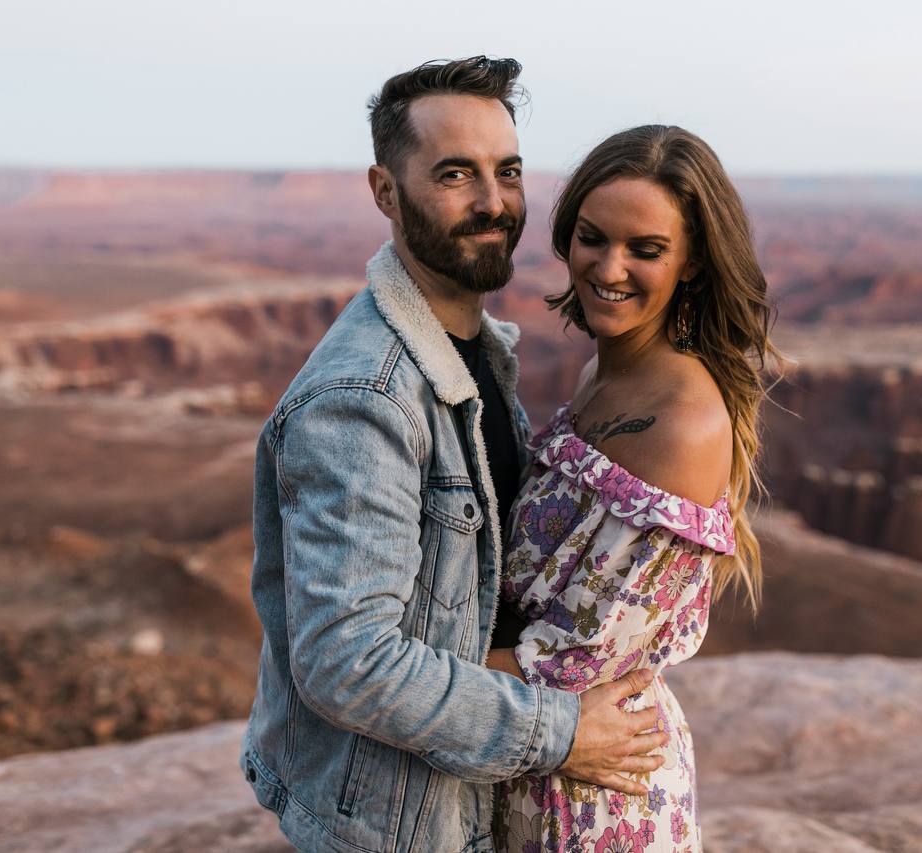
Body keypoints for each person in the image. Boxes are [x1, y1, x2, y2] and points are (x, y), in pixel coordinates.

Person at [240, 57, 668, 853]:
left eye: (507, 171)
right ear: (385, 191)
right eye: (454, 174)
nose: (493, 202)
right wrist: (563, 731)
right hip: (398, 829)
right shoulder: (367, 397)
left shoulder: (474, 353)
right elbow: (348, 660)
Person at [486, 125, 780, 852]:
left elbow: (571, 662)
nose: (608, 267)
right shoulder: (603, 373)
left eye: (645, 249)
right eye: (592, 237)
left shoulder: (683, 423)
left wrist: (398, 663)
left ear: (692, 262)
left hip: (592, 800)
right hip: (533, 758)